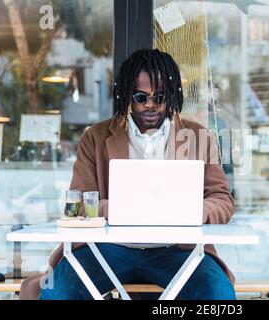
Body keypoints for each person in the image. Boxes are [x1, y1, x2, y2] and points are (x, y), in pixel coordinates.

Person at [19, 49, 236, 300]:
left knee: (218, 293)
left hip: (178, 250)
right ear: (125, 95)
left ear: (173, 94)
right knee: (57, 292)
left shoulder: (199, 137)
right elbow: (75, 205)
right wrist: (120, 210)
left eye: (160, 96)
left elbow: (222, 200)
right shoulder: (96, 138)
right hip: (106, 249)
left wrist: (195, 211)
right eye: (140, 96)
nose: (150, 105)